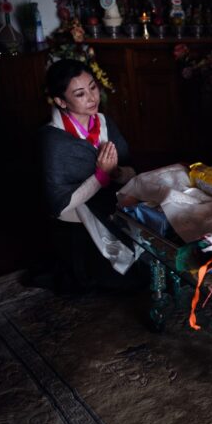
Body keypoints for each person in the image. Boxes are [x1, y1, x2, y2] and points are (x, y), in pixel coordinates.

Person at [36, 58, 144, 295]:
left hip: (111, 204)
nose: (92, 98)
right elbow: (60, 204)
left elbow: (131, 171)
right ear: (61, 101)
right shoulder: (54, 139)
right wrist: (101, 176)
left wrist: (116, 172)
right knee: (126, 281)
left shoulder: (103, 122)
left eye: (93, 87)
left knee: (151, 263)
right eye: (80, 93)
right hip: (77, 221)